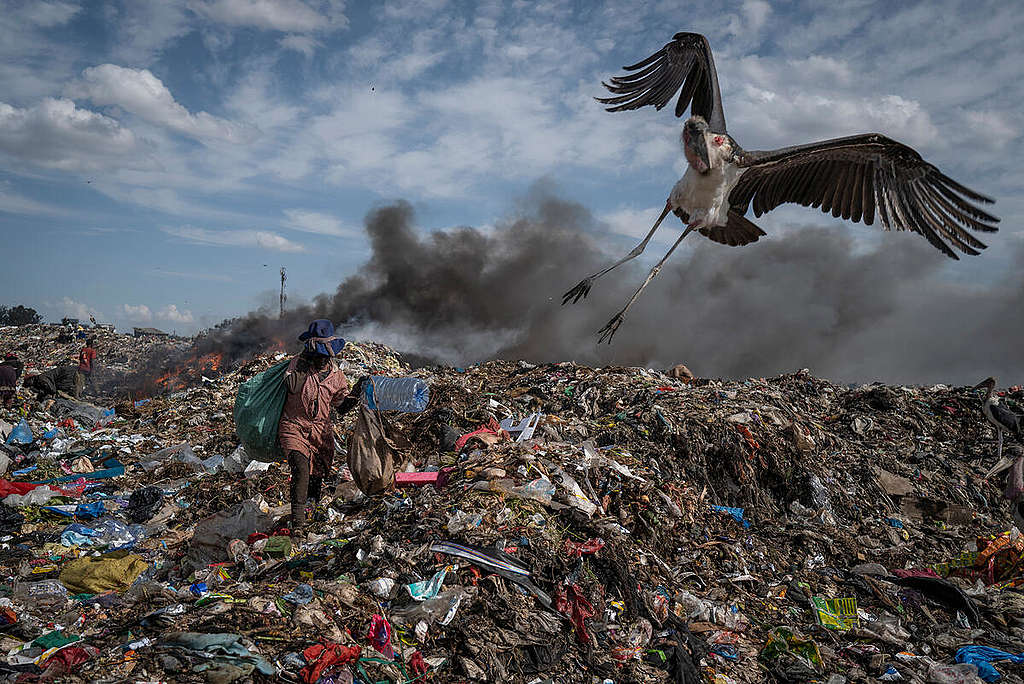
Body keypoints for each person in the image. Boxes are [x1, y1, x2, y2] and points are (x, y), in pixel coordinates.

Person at [277, 320, 362, 535]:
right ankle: (298, 526)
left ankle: (311, 510)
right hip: (294, 425)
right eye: (320, 355)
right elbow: (293, 387)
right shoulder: (298, 364)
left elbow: (341, 407)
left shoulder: (336, 376)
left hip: (320, 431)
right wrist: (305, 364)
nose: (323, 360)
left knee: (316, 474)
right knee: (301, 469)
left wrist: (359, 390)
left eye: (326, 356)